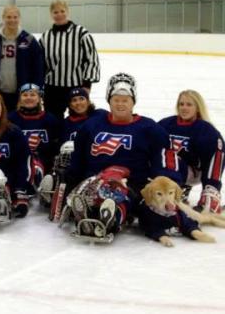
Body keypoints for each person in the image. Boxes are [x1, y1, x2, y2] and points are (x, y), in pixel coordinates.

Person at [64, 73, 179, 241]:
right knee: (91, 195)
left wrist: (167, 181)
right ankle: (89, 212)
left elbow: (165, 158)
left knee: (123, 199)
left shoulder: (149, 128)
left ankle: (111, 218)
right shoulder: (91, 125)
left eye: (125, 100)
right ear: (109, 101)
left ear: (133, 102)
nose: (120, 104)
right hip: (94, 180)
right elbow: (78, 157)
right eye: (116, 100)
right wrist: (71, 180)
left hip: (131, 183)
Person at [158, 90, 224, 213]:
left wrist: (211, 186)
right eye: (181, 104)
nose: (184, 108)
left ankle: (199, 193)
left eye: (189, 104)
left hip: (191, 171)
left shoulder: (206, 130)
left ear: (197, 107)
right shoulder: (165, 124)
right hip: (163, 170)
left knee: (173, 158)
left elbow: (216, 158)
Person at [40, 0, 100, 120]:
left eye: (62, 11)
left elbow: (92, 59)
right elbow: (41, 63)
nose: (59, 14)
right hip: (52, 87)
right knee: (53, 120)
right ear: (51, 14)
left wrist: (87, 85)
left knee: (79, 118)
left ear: (67, 12)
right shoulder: (46, 36)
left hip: (75, 86)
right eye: (55, 12)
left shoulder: (81, 33)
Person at [0, 5, 44, 112]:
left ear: (19, 18)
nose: (12, 20)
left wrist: (37, 89)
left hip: (23, 94)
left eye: (15, 17)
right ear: (3, 18)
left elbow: (38, 68)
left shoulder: (29, 40)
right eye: (8, 17)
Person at [7, 83, 62, 192]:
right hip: (18, 165)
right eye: (25, 95)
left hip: (45, 166)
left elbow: (55, 148)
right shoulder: (10, 119)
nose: (29, 98)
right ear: (20, 98)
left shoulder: (50, 119)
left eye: (33, 95)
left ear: (39, 98)